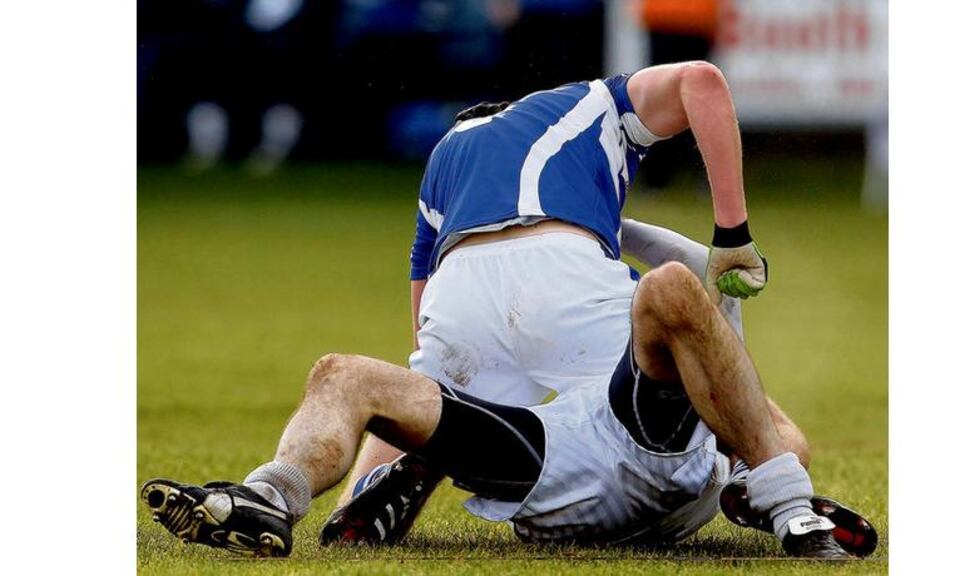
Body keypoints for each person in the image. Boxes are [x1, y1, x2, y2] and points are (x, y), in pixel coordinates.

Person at [142, 253, 870, 559]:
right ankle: (271, 497)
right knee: (343, 372)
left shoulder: (676, 337)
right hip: (551, 461)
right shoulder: (524, 322)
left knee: (673, 282)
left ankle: (788, 509)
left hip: (637, 463)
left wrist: (752, 487)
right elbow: (781, 435)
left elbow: (783, 437)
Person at [331, 60, 770, 530]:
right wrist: (732, 232)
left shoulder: (445, 155)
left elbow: (422, 294)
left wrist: (441, 375)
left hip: (458, 294)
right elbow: (700, 81)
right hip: (563, 269)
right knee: (692, 388)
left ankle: (365, 492)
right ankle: (764, 477)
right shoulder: (597, 102)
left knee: (428, 400)